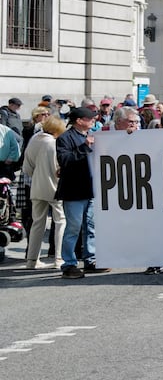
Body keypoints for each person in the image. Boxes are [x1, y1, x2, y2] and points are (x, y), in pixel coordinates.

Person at [55, 106, 109, 279]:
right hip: (74, 191)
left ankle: (90, 259)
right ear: (79, 121)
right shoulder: (65, 138)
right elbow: (65, 160)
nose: (94, 120)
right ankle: (69, 264)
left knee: (91, 227)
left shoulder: (92, 135)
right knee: (73, 228)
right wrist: (84, 146)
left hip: (90, 189)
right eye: (90, 118)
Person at [21, 115, 65, 270]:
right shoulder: (52, 143)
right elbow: (58, 168)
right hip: (54, 187)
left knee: (37, 223)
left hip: (36, 186)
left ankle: (32, 260)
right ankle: (58, 259)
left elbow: (27, 167)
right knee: (60, 221)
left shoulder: (34, 139)